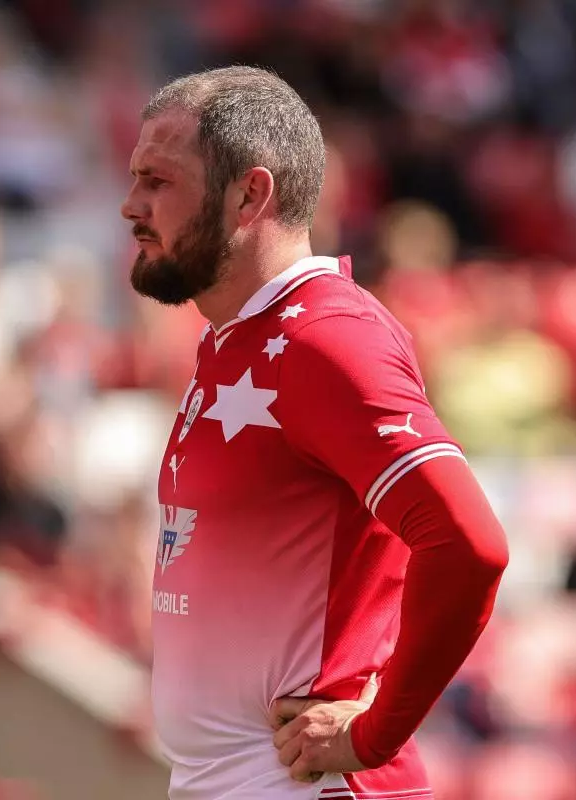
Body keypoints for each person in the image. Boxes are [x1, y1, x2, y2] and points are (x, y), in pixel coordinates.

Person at [122, 67, 509, 799]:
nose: (129, 205)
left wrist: (374, 731)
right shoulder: (236, 338)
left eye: (157, 180)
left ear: (249, 194)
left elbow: (469, 544)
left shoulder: (327, 339)